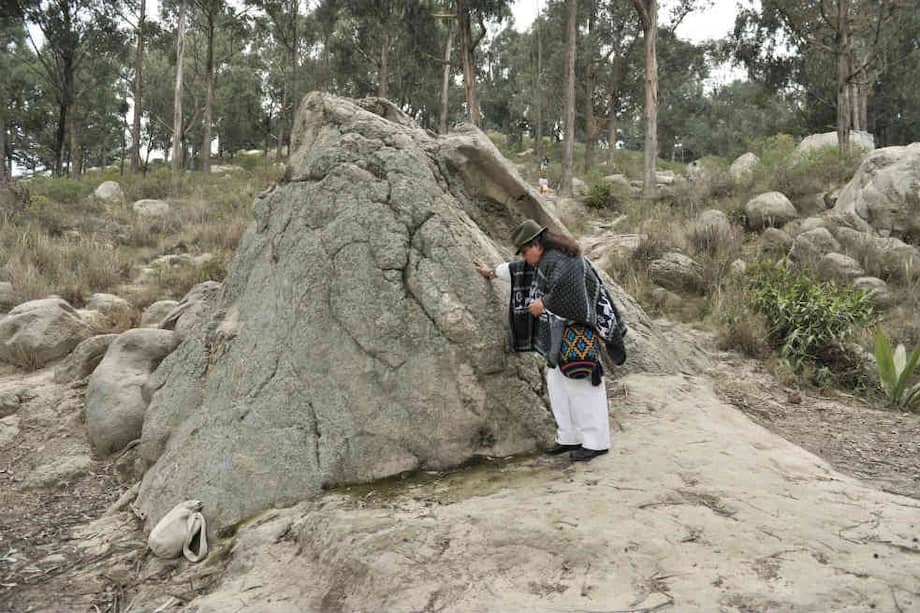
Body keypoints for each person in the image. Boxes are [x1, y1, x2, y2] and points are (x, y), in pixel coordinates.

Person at [474, 219, 622, 462]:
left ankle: (596, 442)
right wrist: (492, 272)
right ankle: (569, 437)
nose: (524, 256)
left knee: (582, 385)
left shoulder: (564, 260)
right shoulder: (546, 260)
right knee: (558, 385)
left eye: (524, 250)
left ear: (536, 244)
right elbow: (520, 270)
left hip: (578, 334)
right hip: (559, 337)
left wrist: (544, 303)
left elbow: (574, 294)